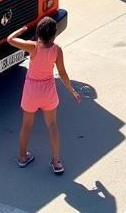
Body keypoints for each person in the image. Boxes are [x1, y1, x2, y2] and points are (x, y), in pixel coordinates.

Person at [8, 15, 80, 174]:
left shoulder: (32, 47)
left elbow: (10, 39)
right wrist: (72, 90)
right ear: (54, 35)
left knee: (27, 125)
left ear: (38, 33)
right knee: (52, 125)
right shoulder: (57, 50)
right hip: (48, 90)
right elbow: (63, 73)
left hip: (31, 90)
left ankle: (22, 157)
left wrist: (22, 29)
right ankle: (57, 162)